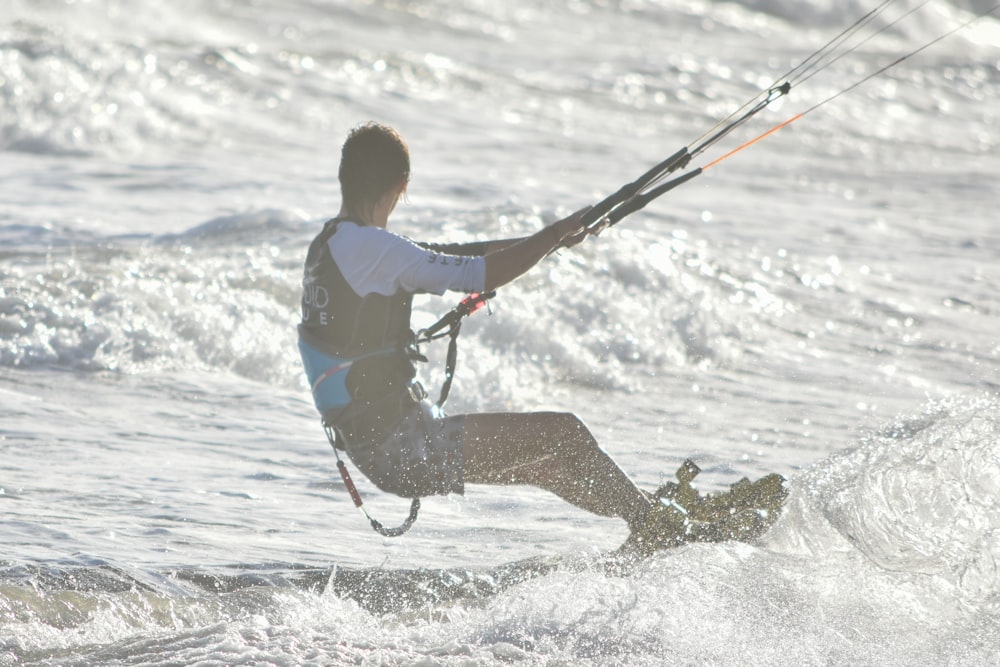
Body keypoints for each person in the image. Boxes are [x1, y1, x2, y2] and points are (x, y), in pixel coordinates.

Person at [298, 122, 684, 556]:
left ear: (344, 178)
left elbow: (455, 252)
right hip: (403, 447)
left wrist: (551, 242)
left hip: (379, 448)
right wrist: (553, 233)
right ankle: (657, 527)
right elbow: (474, 273)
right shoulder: (373, 248)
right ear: (402, 185)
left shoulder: (333, 243)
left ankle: (652, 516)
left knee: (548, 465)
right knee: (565, 433)